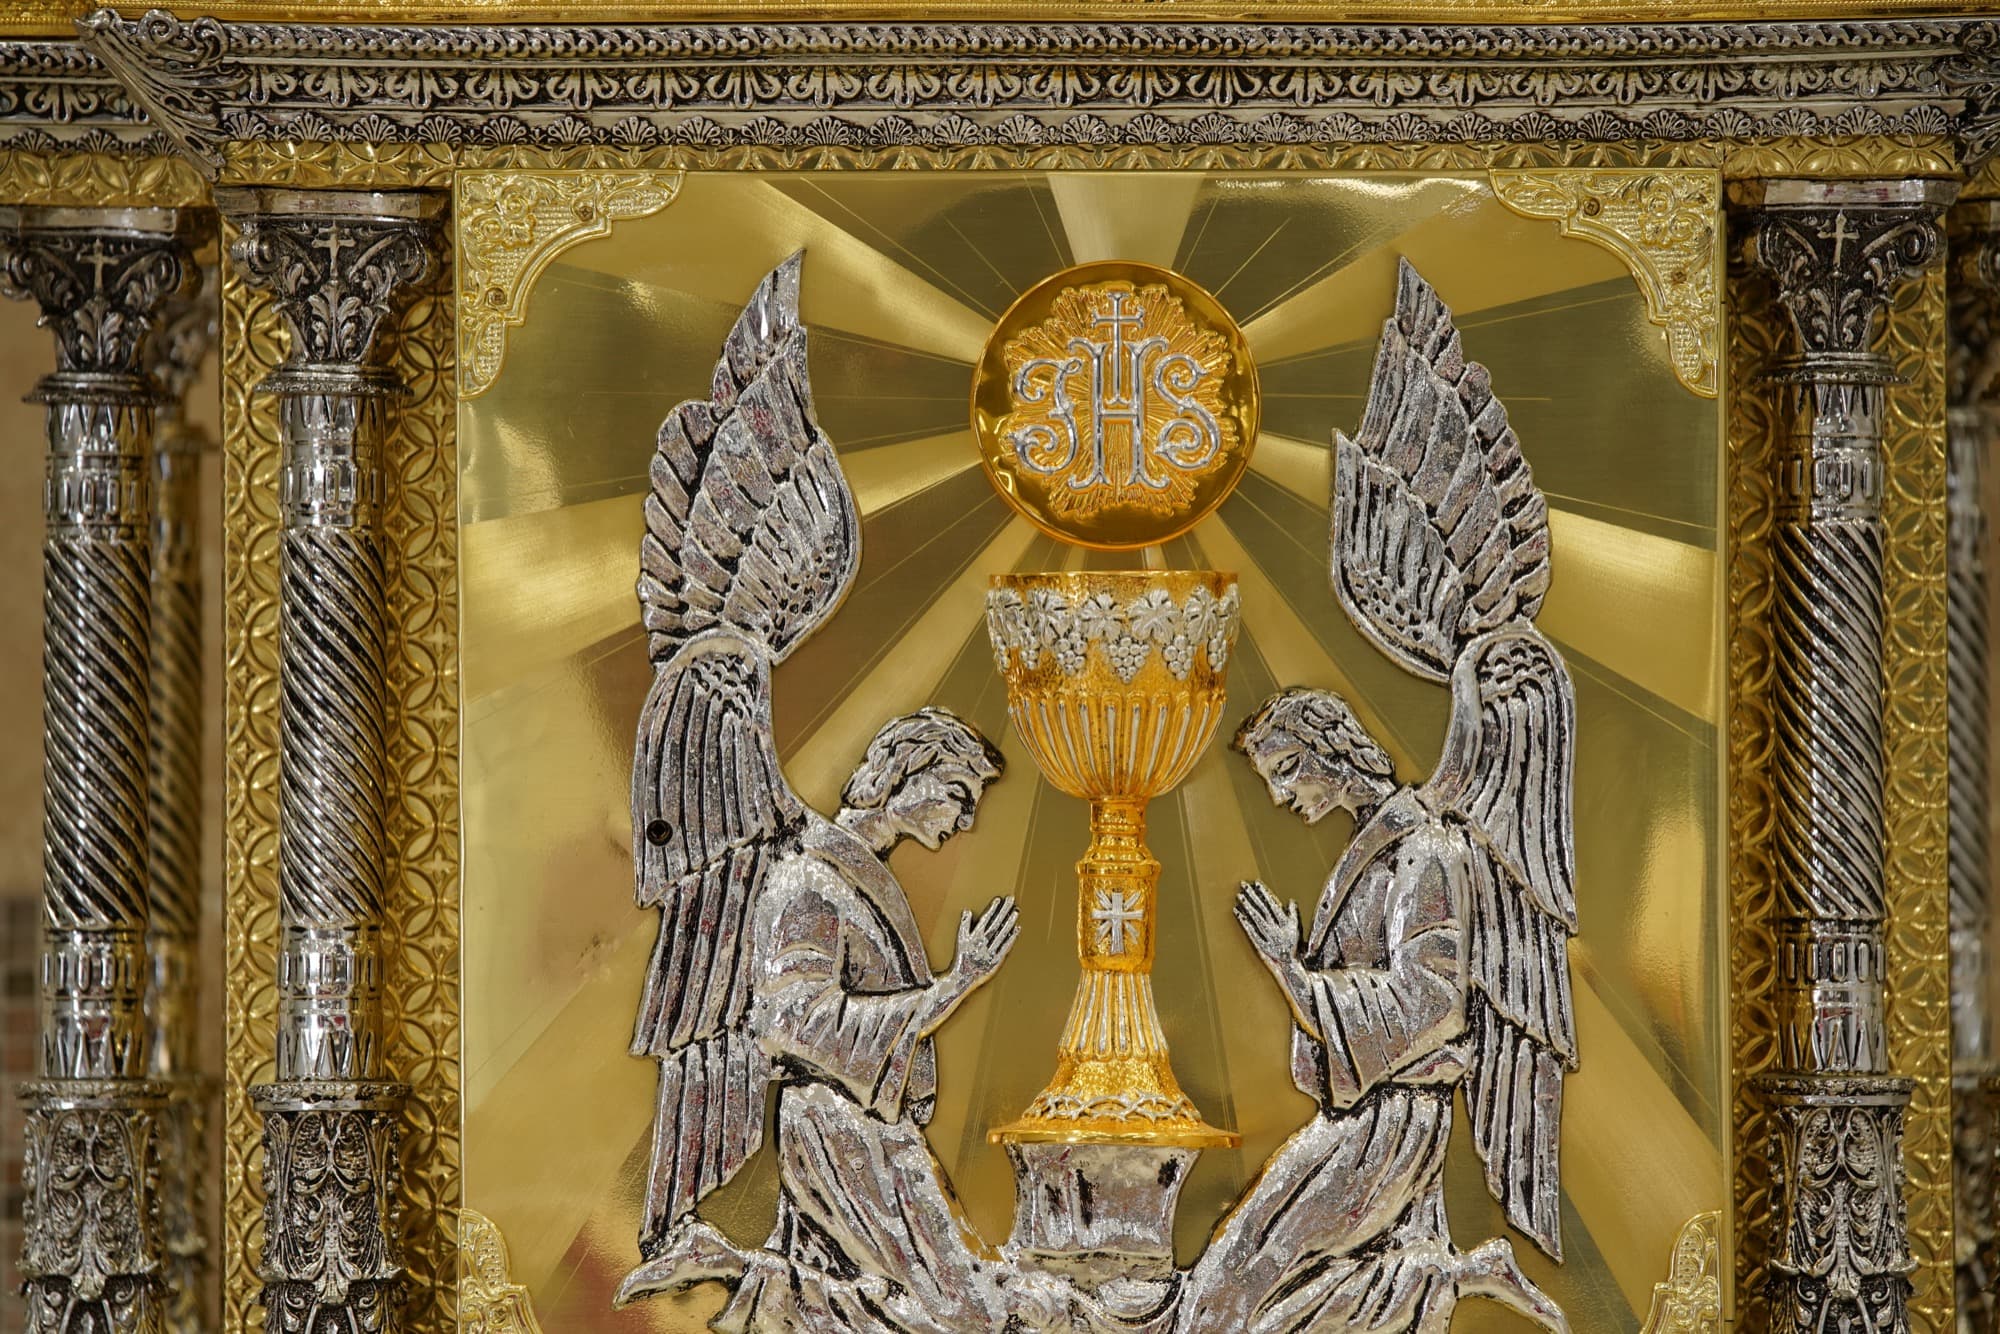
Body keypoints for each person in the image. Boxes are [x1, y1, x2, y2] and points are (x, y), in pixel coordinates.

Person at [625, 706, 1067, 1333]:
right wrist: (952, 988)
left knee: (907, 1308)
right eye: (956, 793)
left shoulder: (854, 877)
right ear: (902, 774)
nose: (966, 818)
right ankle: (735, 1269)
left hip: (868, 1125)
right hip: (837, 1126)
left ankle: (745, 1272)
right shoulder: (809, 879)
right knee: (970, 1318)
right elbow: (789, 1022)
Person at [1177, 687, 1565, 1334]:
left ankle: (1440, 1277)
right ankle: (1439, 1276)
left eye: (1287, 769)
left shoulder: (1425, 850)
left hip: (1391, 1121)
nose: (1280, 795)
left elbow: (1434, 1004)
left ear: (1333, 751)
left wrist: (1291, 972)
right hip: (1365, 1111)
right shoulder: (1377, 846)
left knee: (1228, 1296)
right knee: (1227, 1293)